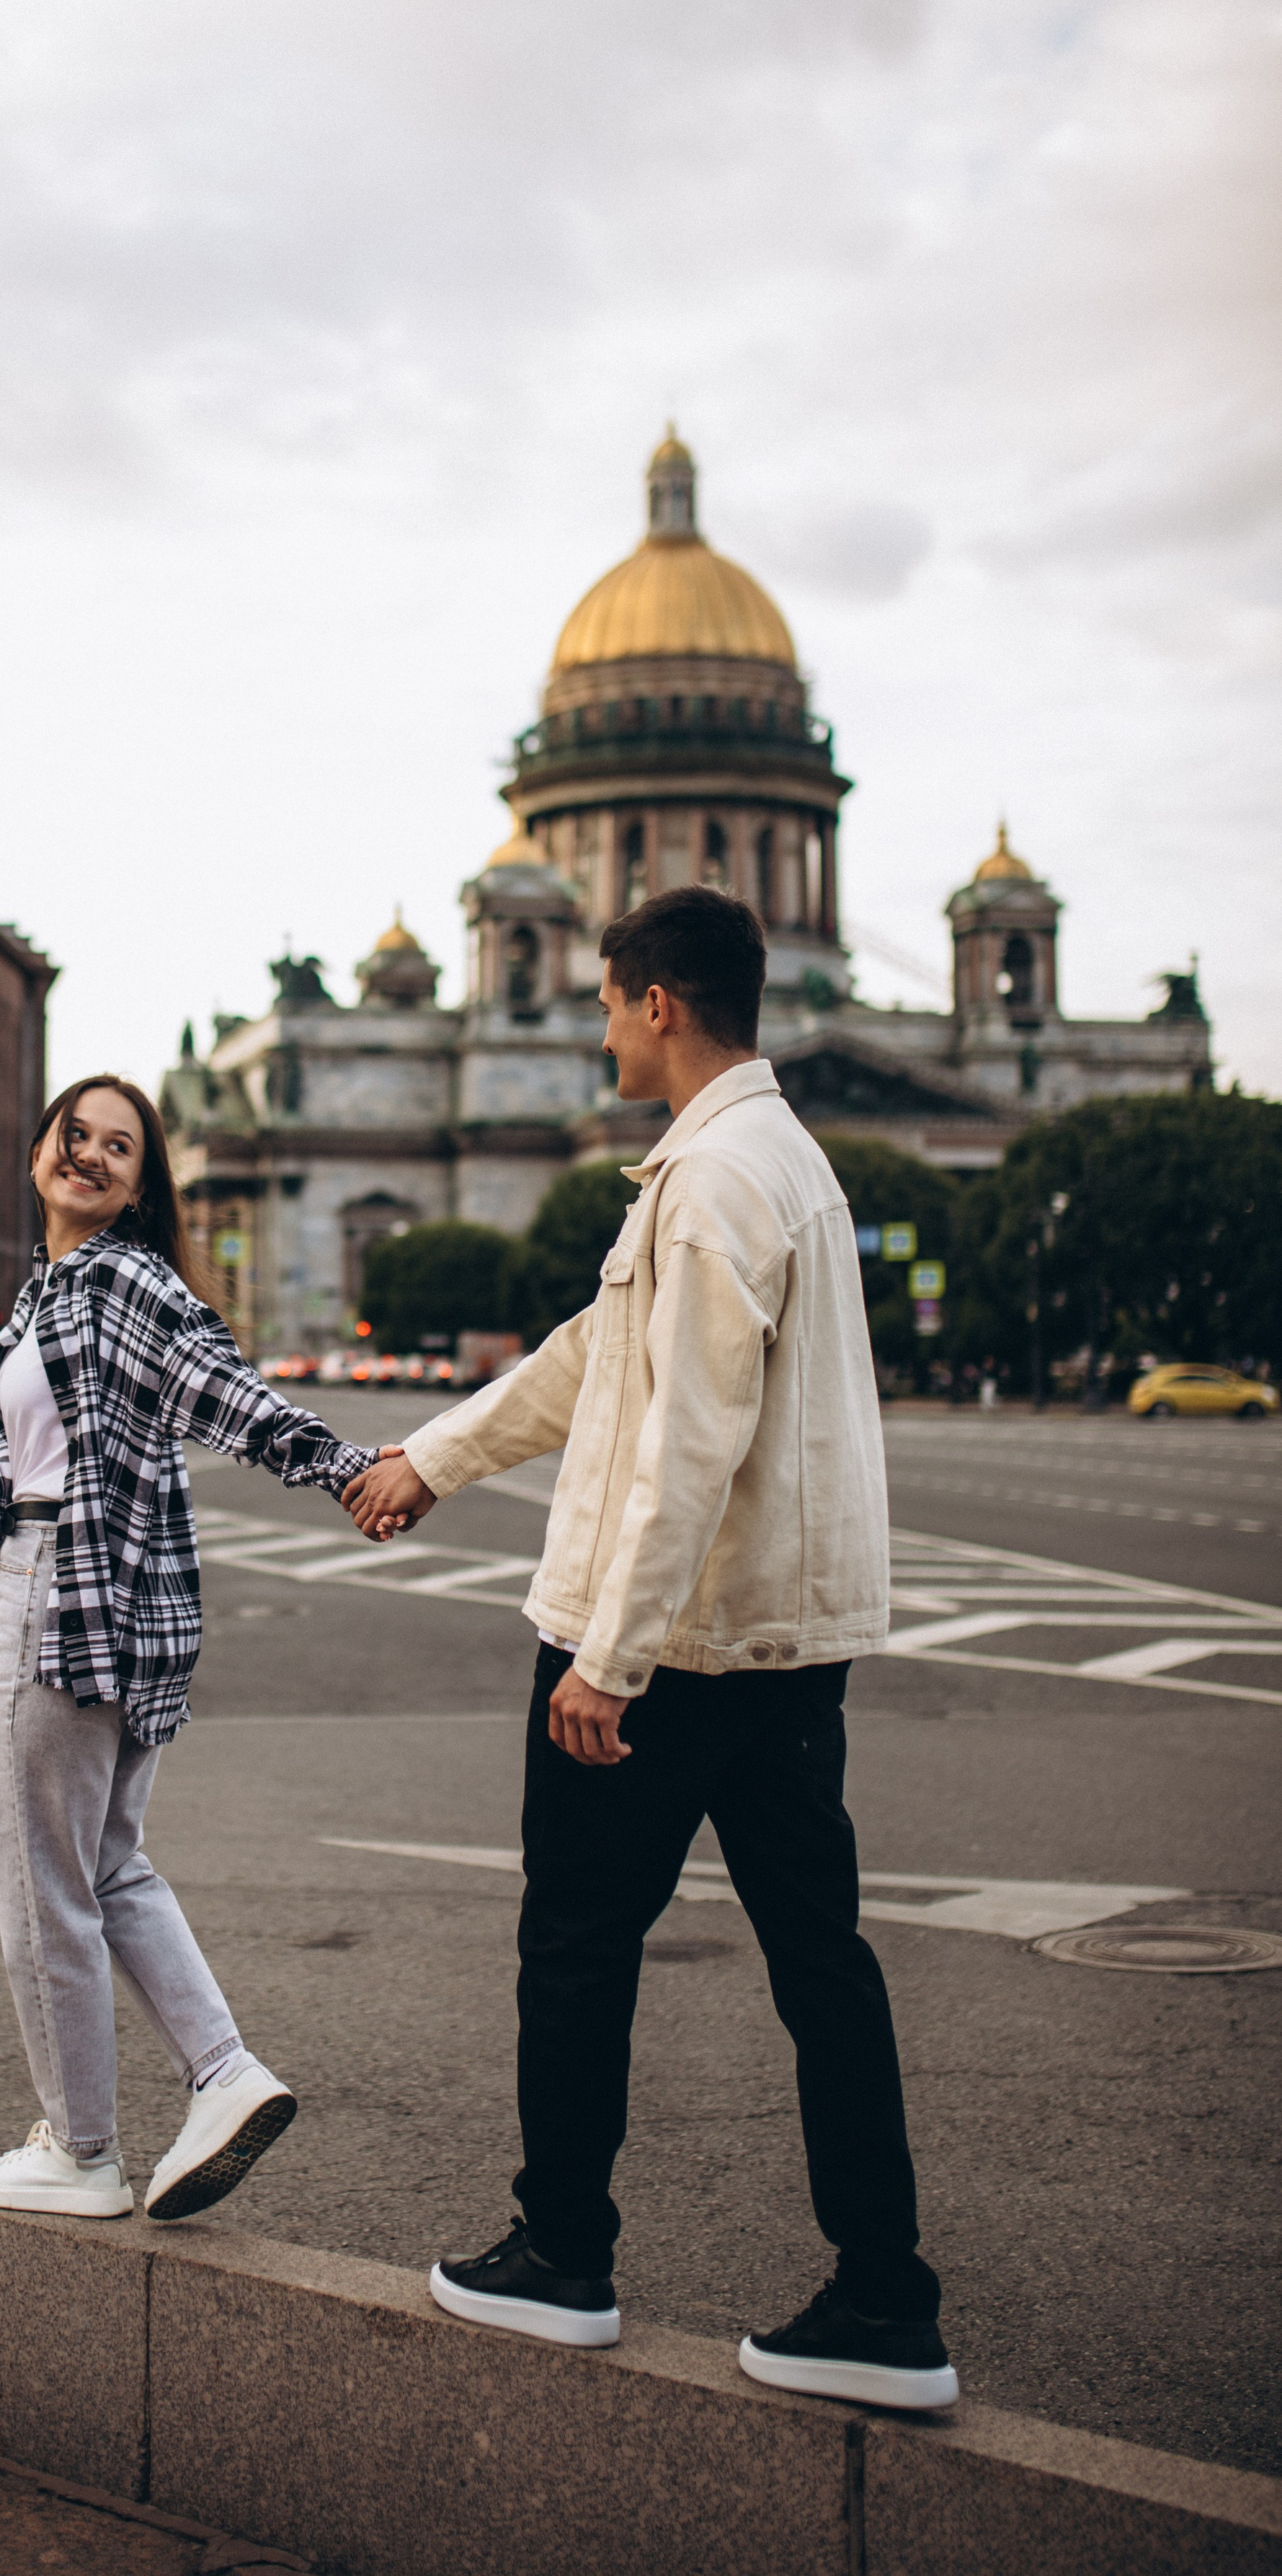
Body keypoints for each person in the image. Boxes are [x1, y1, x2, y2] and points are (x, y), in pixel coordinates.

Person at [344, 887, 954, 2415]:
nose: (596, 1027)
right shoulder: (769, 1159)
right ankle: (884, 2296)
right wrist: (435, 1452)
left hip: (676, 1647)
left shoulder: (710, 1178)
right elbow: (592, 1354)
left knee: (573, 1949)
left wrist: (608, 1655)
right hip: (776, 1648)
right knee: (823, 1962)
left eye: (608, 1004)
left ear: (658, 1002)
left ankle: (562, 2254)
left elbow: (687, 1438)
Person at [0, 1074, 374, 2225]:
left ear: (139, 1187)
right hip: (111, 1606)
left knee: (43, 1884)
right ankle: (226, 2074)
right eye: (73, 1134)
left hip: (64, 1601)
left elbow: (223, 1392)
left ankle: (81, 2150)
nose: (88, 1154)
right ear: (39, 1150)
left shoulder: (121, 1284)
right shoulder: (43, 1300)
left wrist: (346, 1468)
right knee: (107, 1865)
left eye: (117, 1147)